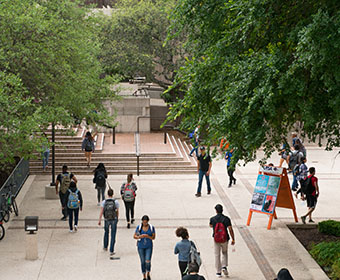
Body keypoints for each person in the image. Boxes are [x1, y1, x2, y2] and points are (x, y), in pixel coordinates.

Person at [209, 204, 235, 278]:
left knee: (217, 255)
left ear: (216, 211)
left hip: (216, 239)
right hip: (225, 239)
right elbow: (230, 229)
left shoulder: (212, 219)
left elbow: (210, 225)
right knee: (224, 252)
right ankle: (224, 266)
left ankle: (218, 272)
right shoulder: (226, 219)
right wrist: (233, 238)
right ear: (222, 210)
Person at [133, 215, 156, 280]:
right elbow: (134, 236)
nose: (144, 223)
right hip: (141, 246)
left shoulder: (151, 228)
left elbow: (153, 237)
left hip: (149, 246)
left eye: (146, 222)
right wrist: (140, 236)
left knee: (148, 260)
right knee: (142, 261)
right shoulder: (139, 227)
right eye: (143, 222)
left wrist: (148, 236)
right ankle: (144, 275)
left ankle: (148, 272)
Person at [98, 188, 119, 255]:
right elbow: (117, 211)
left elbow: (101, 211)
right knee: (113, 234)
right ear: (112, 194)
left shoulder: (104, 202)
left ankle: (105, 246)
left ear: (107, 194)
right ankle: (111, 249)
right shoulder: (115, 202)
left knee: (106, 232)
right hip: (113, 219)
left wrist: (100, 220)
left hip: (106, 219)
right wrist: (117, 218)